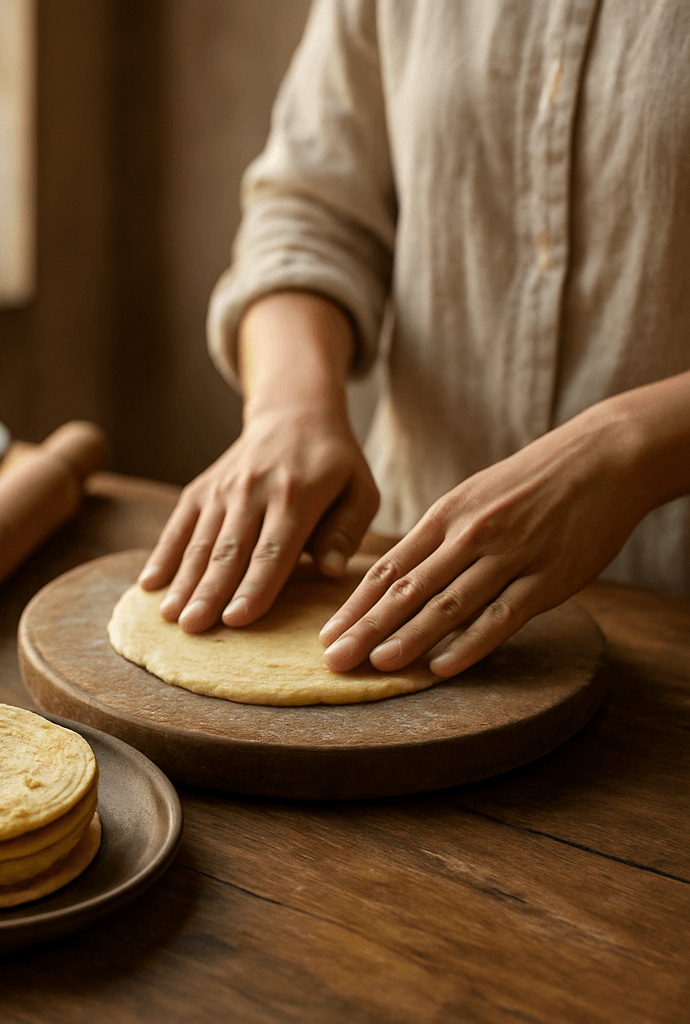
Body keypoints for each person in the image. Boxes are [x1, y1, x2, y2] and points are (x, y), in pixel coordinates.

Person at [138, 0, 690, 679]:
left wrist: (622, 449)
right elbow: (310, 210)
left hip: (671, 613)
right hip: (399, 572)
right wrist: (289, 406)